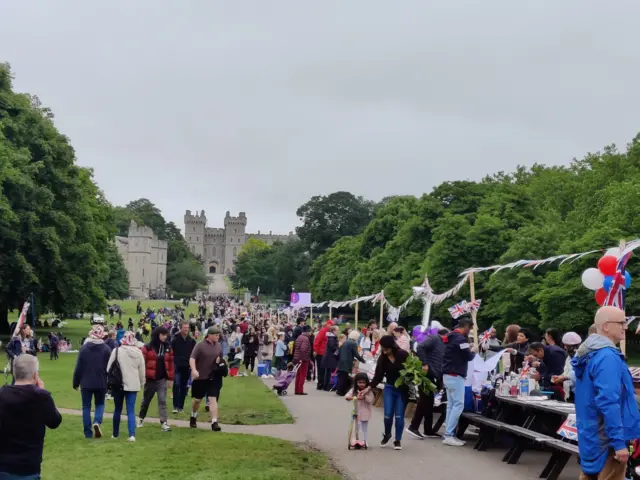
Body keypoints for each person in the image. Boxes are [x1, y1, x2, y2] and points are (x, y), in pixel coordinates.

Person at [572, 306, 640, 480]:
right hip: (607, 441)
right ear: (607, 326)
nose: (626, 327)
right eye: (622, 322)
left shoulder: (591, 354)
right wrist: (619, 443)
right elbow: (608, 402)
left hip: (593, 436)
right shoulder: (606, 357)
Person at [0, 355, 62, 479]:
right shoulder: (41, 397)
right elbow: (55, 421)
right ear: (35, 375)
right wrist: (43, 392)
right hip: (28, 466)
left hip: (3, 464)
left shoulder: (2, 394)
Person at [364, 335, 409, 450]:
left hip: (402, 390)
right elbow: (378, 375)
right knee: (388, 415)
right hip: (389, 388)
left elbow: (411, 370)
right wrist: (369, 387)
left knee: (399, 416)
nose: (385, 351)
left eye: (387, 348)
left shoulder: (403, 355)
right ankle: (387, 434)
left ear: (392, 346)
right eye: (383, 348)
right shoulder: (382, 358)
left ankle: (397, 440)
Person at [441, 316, 476, 447]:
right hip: (456, 374)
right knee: (458, 405)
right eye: (470, 329)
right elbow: (467, 356)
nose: (470, 332)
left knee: (451, 405)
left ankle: (449, 433)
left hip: (448, 373)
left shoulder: (450, 337)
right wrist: (473, 351)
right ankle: (449, 434)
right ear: (466, 327)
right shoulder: (461, 339)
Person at [72, 325, 111, 439]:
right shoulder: (106, 349)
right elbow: (109, 368)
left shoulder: (84, 348)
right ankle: (97, 421)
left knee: (86, 407)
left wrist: (76, 382)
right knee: (100, 404)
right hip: (101, 381)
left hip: (86, 382)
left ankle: (87, 433)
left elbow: (79, 367)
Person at [407, 327, 446, 439]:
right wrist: (424, 363)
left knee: (429, 402)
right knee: (424, 401)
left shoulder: (440, 343)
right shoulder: (434, 339)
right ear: (444, 335)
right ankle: (413, 426)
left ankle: (428, 430)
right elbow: (420, 346)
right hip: (426, 373)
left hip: (432, 373)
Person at [107, 331, 145, 442]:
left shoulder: (117, 350)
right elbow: (142, 371)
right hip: (133, 384)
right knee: (131, 410)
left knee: (117, 409)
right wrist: (142, 383)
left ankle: (115, 434)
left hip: (118, 383)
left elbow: (108, 367)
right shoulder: (138, 352)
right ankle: (132, 434)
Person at [189, 326, 227, 432]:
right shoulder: (200, 346)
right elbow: (192, 358)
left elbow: (220, 358)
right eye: (216, 335)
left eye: (218, 335)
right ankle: (193, 415)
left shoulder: (219, 346)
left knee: (212, 399)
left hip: (213, 376)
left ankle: (214, 422)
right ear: (209, 335)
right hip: (200, 377)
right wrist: (194, 370)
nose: (218, 337)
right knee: (197, 400)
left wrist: (221, 365)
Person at [137, 326, 174, 432]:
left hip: (162, 379)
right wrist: (142, 376)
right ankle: (141, 418)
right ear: (157, 335)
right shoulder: (147, 347)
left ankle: (164, 423)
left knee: (162, 401)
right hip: (150, 378)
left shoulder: (168, 347)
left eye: (166, 335)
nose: (165, 337)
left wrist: (171, 378)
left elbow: (171, 363)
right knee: (146, 400)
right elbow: (142, 362)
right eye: (163, 335)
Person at [171, 321, 196, 413]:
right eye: (184, 327)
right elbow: (171, 352)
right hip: (177, 365)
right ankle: (175, 406)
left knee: (184, 387)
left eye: (187, 327)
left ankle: (180, 406)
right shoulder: (175, 339)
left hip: (187, 366)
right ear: (180, 328)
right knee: (176, 384)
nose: (186, 329)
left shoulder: (192, 341)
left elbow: (194, 354)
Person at [345, 372, 375, 448]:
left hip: (365, 413)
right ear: (356, 382)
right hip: (356, 412)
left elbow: (371, 400)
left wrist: (364, 396)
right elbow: (347, 397)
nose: (361, 384)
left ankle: (365, 440)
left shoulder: (369, 391)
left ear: (367, 383)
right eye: (359, 382)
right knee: (356, 427)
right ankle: (355, 439)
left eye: (363, 382)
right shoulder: (353, 390)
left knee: (365, 428)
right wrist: (354, 397)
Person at [551, 331, 582, 401]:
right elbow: (567, 371)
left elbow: (577, 372)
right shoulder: (569, 357)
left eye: (567, 346)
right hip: (569, 392)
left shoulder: (581, 356)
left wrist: (565, 377)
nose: (565, 347)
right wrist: (560, 377)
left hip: (578, 392)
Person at [336, 331, 365, 396]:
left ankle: (339, 390)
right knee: (344, 377)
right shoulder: (353, 343)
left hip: (341, 361)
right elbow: (356, 354)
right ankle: (341, 391)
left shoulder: (346, 342)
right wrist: (363, 360)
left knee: (341, 376)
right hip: (347, 362)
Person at [313, 320, 333, 390]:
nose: (332, 326)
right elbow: (317, 341)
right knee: (321, 370)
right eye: (331, 325)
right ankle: (320, 384)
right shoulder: (323, 331)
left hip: (324, 353)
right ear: (328, 325)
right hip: (321, 353)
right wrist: (315, 350)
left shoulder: (328, 332)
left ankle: (322, 384)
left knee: (323, 370)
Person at [293, 325, 312, 395]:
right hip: (303, 359)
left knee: (298, 374)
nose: (311, 333)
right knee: (303, 375)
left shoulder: (299, 337)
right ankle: (300, 390)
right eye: (310, 331)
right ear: (308, 331)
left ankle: (296, 389)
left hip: (297, 358)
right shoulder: (306, 339)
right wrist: (303, 358)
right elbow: (303, 349)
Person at [321, 325, 340, 391]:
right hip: (330, 357)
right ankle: (327, 386)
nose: (338, 332)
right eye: (337, 330)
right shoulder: (332, 338)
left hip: (329, 357)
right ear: (333, 331)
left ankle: (326, 386)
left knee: (328, 372)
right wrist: (338, 347)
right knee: (329, 372)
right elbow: (332, 347)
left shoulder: (331, 337)